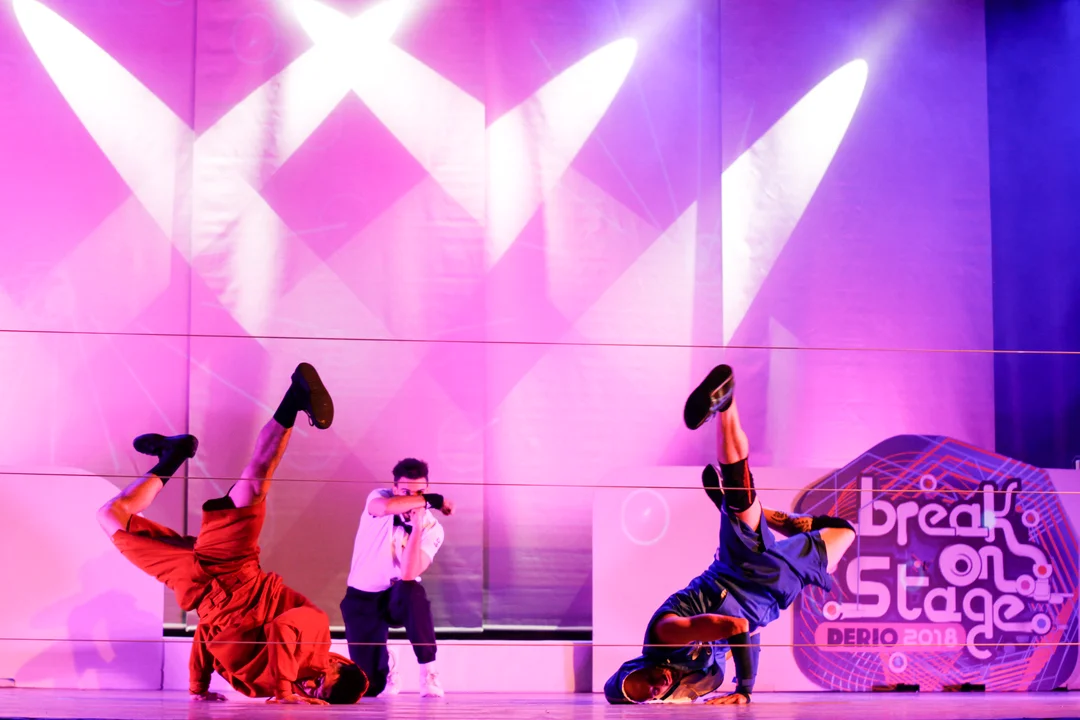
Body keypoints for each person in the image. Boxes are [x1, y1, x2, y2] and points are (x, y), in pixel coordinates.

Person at [97, 363, 367, 705]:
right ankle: (294, 397)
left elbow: (207, 635)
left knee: (110, 515)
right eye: (322, 682)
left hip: (194, 584)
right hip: (232, 566)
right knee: (256, 481)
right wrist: (285, 692)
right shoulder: (315, 634)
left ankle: (172, 455)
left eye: (316, 692)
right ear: (337, 663)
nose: (311, 686)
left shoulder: (261, 683)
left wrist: (198, 689)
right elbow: (282, 629)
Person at [605, 364, 856, 705]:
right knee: (844, 532)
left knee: (739, 487)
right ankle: (741, 509)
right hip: (772, 593)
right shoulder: (697, 681)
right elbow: (749, 633)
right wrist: (741, 679)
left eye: (645, 677)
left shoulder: (664, 636)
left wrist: (744, 690)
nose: (655, 684)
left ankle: (726, 406)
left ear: (639, 665)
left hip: (739, 571)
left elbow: (734, 626)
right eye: (649, 693)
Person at [341, 458, 454, 698]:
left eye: (420, 492)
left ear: (427, 489)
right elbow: (383, 508)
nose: (414, 499)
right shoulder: (379, 498)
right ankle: (388, 664)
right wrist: (432, 500)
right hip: (363, 597)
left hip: (398, 596)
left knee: (412, 590)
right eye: (406, 492)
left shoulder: (433, 529)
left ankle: (428, 671)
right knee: (370, 688)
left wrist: (418, 526)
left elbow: (408, 573)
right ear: (395, 489)